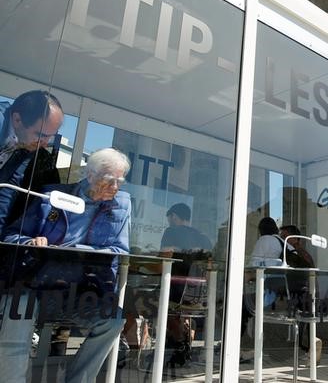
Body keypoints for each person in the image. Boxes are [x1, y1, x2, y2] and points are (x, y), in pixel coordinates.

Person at [0, 147, 131, 383]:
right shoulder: (52, 197)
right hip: (36, 285)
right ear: (90, 175)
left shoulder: (121, 204)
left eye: (120, 181)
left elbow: (120, 251)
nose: (115, 187)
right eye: (110, 180)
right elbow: (11, 236)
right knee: (17, 308)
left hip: (80, 292)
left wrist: (77, 252)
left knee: (113, 319)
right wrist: (31, 241)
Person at [0, 90, 63, 233]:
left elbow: (8, 190)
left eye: (50, 137)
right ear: (17, 120)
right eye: (41, 135)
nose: (45, 144)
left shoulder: (28, 145)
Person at [159, 202, 212, 366]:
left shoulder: (171, 231)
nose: (169, 222)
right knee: (187, 313)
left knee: (157, 304)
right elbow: (209, 267)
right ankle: (184, 347)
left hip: (176, 289)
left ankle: (180, 344)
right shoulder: (204, 238)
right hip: (198, 294)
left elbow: (163, 257)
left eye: (170, 219)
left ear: (174, 217)